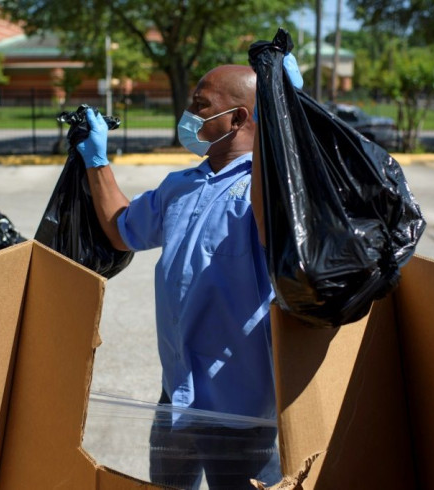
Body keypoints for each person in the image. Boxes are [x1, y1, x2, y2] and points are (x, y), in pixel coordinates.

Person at [76, 57, 302, 489]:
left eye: (201, 104)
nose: (189, 115)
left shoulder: (268, 188)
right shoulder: (180, 185)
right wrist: (95, 159)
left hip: (238, 413)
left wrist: (282, 116)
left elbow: (279, 221)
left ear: (237, 118)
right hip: (175, 398)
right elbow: (123, 229)